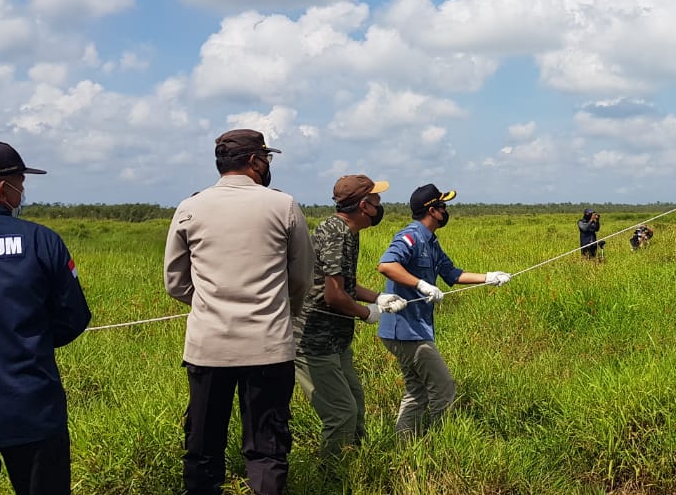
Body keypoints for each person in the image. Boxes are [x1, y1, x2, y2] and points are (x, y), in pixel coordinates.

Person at [164, 129, 315, 495]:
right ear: (254, 161)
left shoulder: (190, 207)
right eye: (267, 159)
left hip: (209, 346)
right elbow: (301, 278)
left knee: (202, 444)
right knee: (267, 447)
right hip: (268, 345)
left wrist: (209, 306)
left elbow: (175, 281)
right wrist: (280, 311)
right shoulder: (284, 205)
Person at [0, 140, 92, 495]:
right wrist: (31, 341)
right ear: (4, 189)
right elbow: (73, 317)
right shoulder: (41, 241)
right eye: (21, 184)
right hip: (31, 410)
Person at [376, 183, 511, 440]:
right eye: (443, 206)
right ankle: (443, 442)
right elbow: (386, 265)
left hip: (414, 328)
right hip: (404, 330)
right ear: (432, 210)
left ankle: (405, 444)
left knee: (417, 390)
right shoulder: (411, 236)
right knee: (443, 387)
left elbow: (452, 274)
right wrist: (421, 284)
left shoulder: (431, 242)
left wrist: (489, 277)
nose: (446, 210)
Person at [294, 175, 408, 462]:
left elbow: (345, 284)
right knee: (341, 414)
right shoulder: (335, 234)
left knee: (355, 403)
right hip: (314, 342)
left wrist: (377, 298)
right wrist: (365, 313)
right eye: (376, 200)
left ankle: (355, 466)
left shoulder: (349, 232)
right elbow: (333, 295)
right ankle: (333, 477)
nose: (381, 205)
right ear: (364, 205)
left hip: (336, 338)